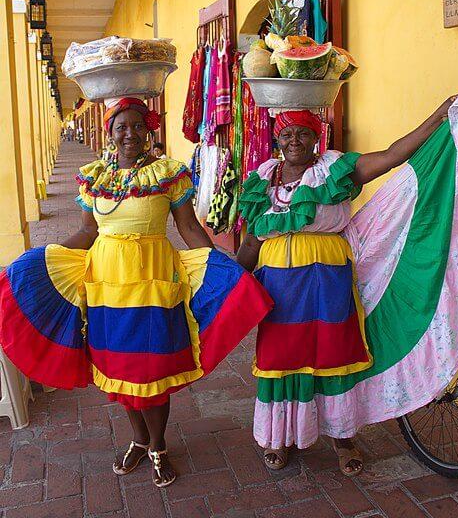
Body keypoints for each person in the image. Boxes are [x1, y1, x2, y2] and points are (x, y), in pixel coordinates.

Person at [0, 96, 272, 488]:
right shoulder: (95, 178)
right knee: (117, 367)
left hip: (154, 279)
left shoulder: (167, 174)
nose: (130, 133)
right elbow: (88, 233)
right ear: (109, 133)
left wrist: (218, 268)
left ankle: (159, 445)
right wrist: (42, 256)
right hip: (107, 282)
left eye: (137, 126)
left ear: (149, 130)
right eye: (121, 127)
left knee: (152, 368)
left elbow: (189, 229)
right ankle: (138, 440)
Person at [237, 96, 458, 476]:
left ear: (317, 138)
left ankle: (342, 438)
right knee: (279, 359)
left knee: (334, 355)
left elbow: (392, 154)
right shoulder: (260, 182)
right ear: (277, 139)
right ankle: (280, 436)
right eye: (287, 133)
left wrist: (437, 116)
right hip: (278, 288)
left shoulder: (335, 171)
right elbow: (252, 241)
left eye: (304, 133)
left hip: (327, 281)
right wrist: (232, 282)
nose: (295, 140)